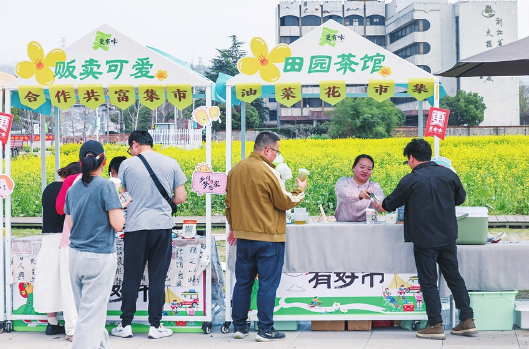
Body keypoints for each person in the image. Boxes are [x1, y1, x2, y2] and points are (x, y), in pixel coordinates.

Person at [376, 138, 476, 340]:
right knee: (454, 277)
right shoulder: (448, 174)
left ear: (411, 158)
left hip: (424, 239)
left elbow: (390, 204)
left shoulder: (410, 179)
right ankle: (467, 320)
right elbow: (460, 199)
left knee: (429, 282)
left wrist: (380, 204)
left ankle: (435, 324)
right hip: (448, 236)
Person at [225, 131, 307, 342]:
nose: (276, 156)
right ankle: (265, 329)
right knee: (267, 284)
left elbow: (228, 204)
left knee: (243, 282)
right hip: (269, 237)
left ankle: (240, 327)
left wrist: (234, 227)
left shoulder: (235, 170)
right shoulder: (269, 171)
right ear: (267, 149)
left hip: (244, 237)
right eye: (276, 151)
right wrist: (299, 190)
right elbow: (284, 201)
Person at [111, 130, 187, 339]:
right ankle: (155, 326)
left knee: (131, 277)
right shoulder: (171, 162)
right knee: (157, 278)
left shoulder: (127, 164)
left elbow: (123, 196)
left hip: (135, 227)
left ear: (135, 144)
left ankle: (126, 324)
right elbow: (180, 197)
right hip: (162, 226)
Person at [64, 140, 127, 349]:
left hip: (75, 255)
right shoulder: (106, 186)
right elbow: (118, 224)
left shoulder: (73, 189)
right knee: (91, 314)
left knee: (88, 311)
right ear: (104, 161)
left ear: (81, 163)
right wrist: (120, 206)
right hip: (99, 256)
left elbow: (71, 223)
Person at [33, 162, 81, 339]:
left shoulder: (49, 188)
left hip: (47, 239)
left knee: (49, 281)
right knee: (68, 284)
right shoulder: (71, 189)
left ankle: (52, 323)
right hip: (63, 239)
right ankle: (72, 326)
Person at [334, 154, 385, 222]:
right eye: (362, 167)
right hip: (344, 226)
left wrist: (381, 204)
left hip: (367, 227)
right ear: (353, 167)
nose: (365, 171)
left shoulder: (374, 186)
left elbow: (380, 197)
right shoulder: (343, 182)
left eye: (369, 169)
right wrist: (359, 194)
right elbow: (342, 193)